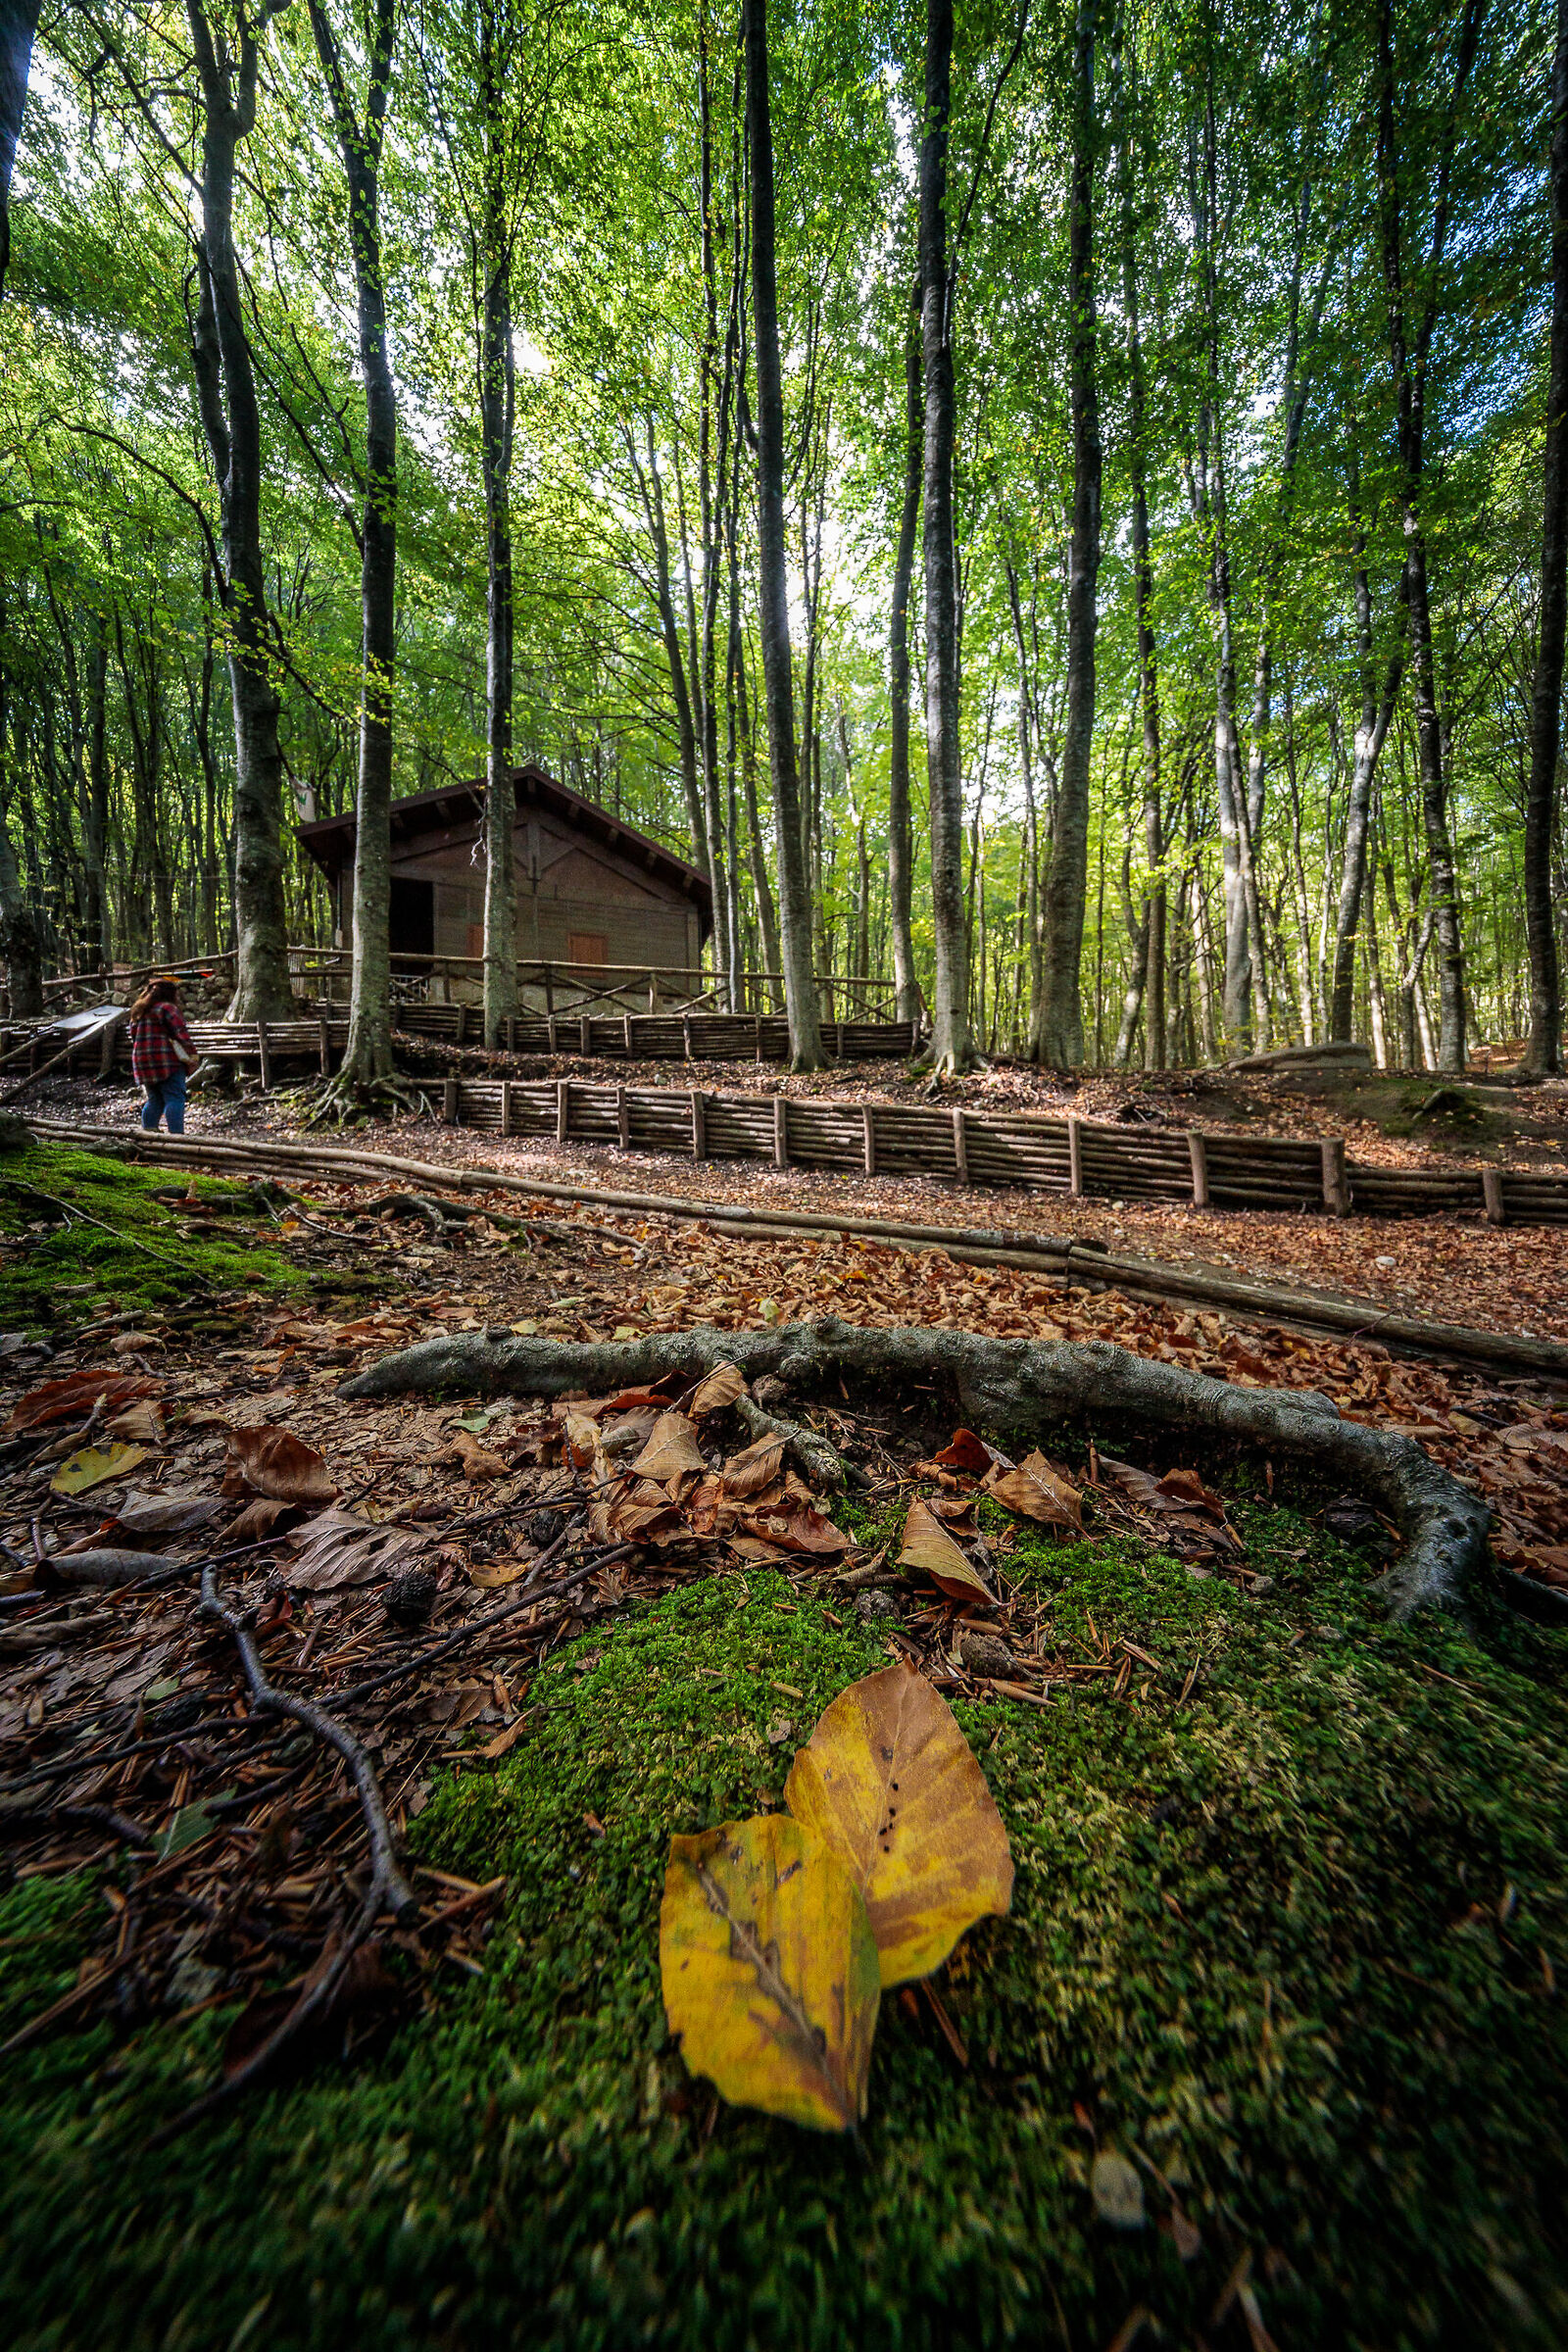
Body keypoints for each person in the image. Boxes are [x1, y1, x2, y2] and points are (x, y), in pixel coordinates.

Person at [127, 976, 198, 1134]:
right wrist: (193, 1056)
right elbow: (181, 1034)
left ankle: (148, 1133)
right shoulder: (168, 1008)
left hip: (142, 1061)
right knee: (175, 1097)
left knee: (155, 1099)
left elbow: (132, 1036)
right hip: (166, 1060)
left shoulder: (139, 1011)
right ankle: (176, 1138)